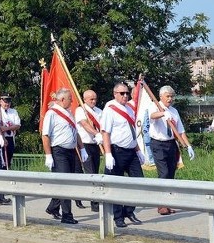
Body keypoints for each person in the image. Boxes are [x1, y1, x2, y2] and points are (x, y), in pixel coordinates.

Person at [100, 82, 145, 228]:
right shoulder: (110, 109)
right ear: (115, 94)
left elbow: (132, 133)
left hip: (131, 151)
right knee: (117, 185)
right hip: (117, 151)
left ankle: (129, 211)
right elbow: (105, 132)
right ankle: (118, 217)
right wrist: (108, 154)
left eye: (127, 93)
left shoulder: (130, 110)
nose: (125, 96)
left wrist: (138, 151)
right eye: (122, 93)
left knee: (139, 182)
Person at [146, 86, 194, 216]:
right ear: (161, 96)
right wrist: (162, 113)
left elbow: (180, 131)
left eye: (172, 96)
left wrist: (188, 145)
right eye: (167, 96)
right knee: (164, 173)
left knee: (171, 174)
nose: (170, 99)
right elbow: (152, 116)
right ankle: (161, 205)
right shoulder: (155, 106)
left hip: (171, 144)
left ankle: (167, 204)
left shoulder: (174, 111)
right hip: (158, 143)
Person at [42, 88, 86, 224]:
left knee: (68, 181)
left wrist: (82, 148)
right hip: (59, 151)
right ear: (62, 100)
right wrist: (48, 155)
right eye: (70, 98)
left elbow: (76, 132)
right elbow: (45, 135)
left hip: (71, 151)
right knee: (65, 183)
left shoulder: (69, 113)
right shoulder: (52, 114)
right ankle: (67, 215)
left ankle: (53, 207)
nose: (72, 101)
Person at [74, 89, 103, 212]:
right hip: (84, 145)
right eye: (91, 99)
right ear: (85, 99)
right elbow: (85, 125)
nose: (93, 101)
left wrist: (101, 136)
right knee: (91, 173)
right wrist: (96, 133)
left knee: (95, 171)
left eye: (95, 98)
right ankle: (94, 203)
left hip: (95, 144)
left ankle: (93, 198)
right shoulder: (81, 110)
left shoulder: (99, 111)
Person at [0, 94, 21, 169]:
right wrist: (2, 135)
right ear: (0, 102)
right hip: (0, 138)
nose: (7, 104)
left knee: (9, 157)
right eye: (5, 102)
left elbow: (17, 125)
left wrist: (7, 128)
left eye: (8, 102)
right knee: (1, 159)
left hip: (10, 138)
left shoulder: (13, 112)